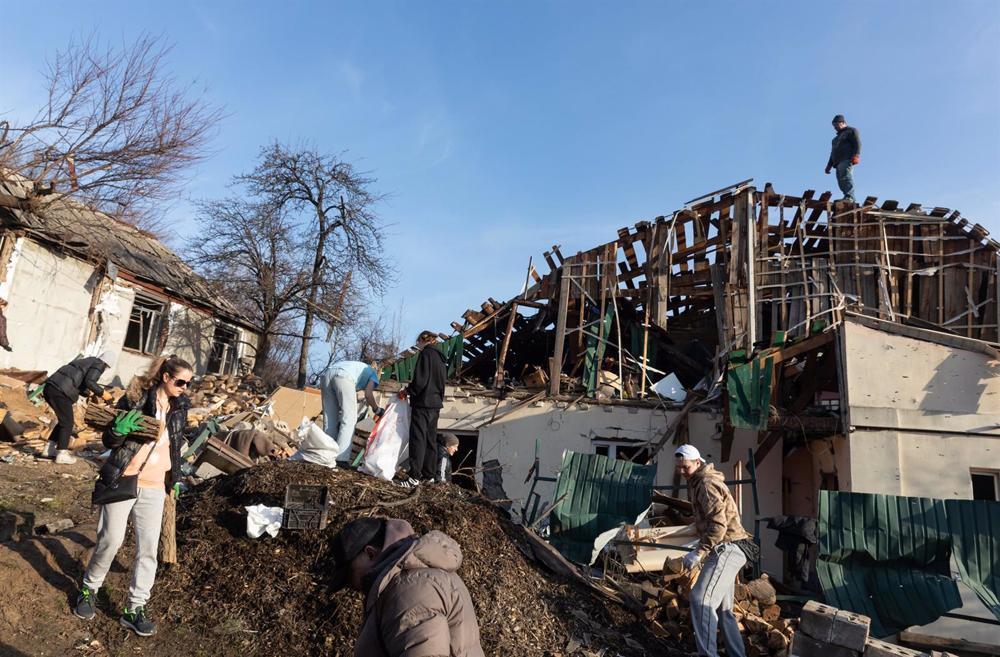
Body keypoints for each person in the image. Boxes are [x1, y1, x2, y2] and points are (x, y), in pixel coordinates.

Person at [73, 355, 193, 637]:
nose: (184, 387)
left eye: (188, 383)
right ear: (165, 377)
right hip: (124, 478)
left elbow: (175, 446)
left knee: (148, 550)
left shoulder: (180, 407)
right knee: (111, 540)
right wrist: (117, 431)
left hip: (155, 486)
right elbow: (109, 440)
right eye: (180, 382)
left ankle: (134, 608)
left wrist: (174, 478)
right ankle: (89, 589)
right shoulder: (136, 398)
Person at [330, 517, 485, 657]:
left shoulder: (409, 589)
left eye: (349, 575)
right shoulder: (412, 579)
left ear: (370, 554)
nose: (352, 585)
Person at [675, 444, 755, 657]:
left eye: (686, 467)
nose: (682, 471)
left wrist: (700, 551)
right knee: (723, 609)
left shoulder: (706, 484)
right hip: (731, 547)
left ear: (697, 463)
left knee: (700, 600)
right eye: (679, 467)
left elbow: (718, 525)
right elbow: (710, 521)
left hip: (727, 548)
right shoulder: (699, 481)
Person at [42, 351, 115, 464]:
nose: (105, 369)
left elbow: (79, 381)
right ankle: (62, 453)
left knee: (63, 421)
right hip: (61, 391)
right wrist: (103, 393)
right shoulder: (99, 364)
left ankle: (48, 449)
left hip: (50, 387)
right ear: (107, 363)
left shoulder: (85, 362)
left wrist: (88, 393)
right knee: (67, 423)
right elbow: (90, 381)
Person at [401, 331, 447, 487]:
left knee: (418, 439)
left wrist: (408, 391)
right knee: (430, 440)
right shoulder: (441, 359)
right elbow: (441, 384)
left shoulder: (425, 355)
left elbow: (420, 381)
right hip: (435, 404)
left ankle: (414, 477)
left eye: (418, 342)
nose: (417, 345)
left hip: (422, 403)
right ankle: (429, 476)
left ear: (423, 340)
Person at [319, 360, 383, 465]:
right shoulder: (373, 374)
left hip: (327, 374)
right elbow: (368, 394)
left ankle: (326, 454)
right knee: (349, 419)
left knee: (330, 418)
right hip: (343, 376)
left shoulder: (359, 367)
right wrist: (377, 409)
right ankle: (341, 458)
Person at [824, 114, 862, 203]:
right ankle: (846, 196)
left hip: (847, 159)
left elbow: (857, 143)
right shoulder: (835, 139)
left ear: (843, 122)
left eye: (837, 125)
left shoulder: (851, 131)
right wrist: (829, 165)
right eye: (834, 126)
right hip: (837, 162)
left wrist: (856, 155)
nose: (835, 127)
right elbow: (833, 152)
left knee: (846, 177)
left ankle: (850, 197)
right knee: (840, 180)